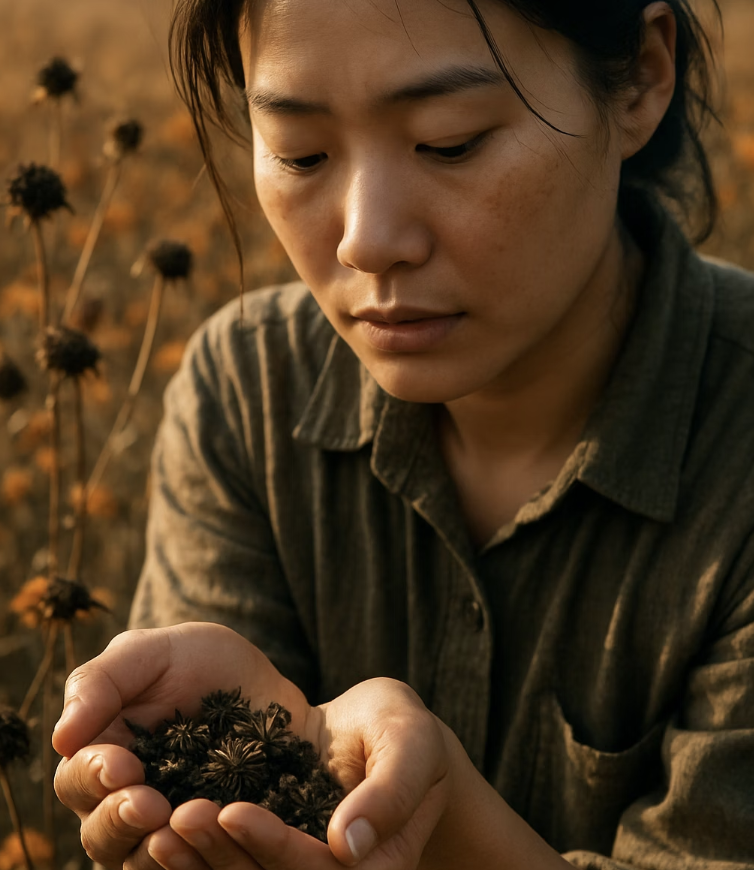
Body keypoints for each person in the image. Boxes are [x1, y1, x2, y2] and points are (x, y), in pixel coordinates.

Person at [53, 0, 754, 868]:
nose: (366, 240)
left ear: (644, 77)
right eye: (301, 153)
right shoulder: (250, 392)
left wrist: (440, 815)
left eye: (449, 141)